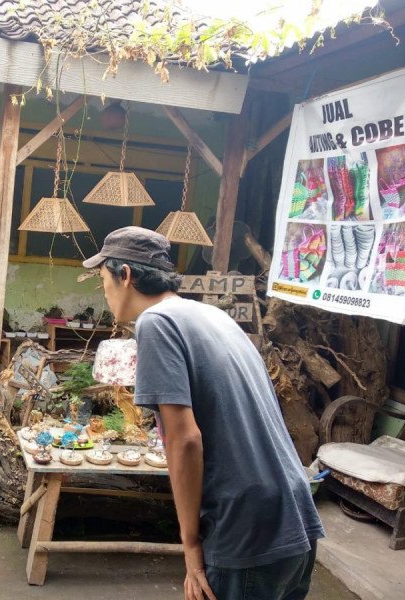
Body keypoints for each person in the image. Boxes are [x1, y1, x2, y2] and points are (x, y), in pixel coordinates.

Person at [83, 226, 324, 600]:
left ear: (126, 275)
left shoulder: (157, 323)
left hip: (244, 531)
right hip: (295, 517)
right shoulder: (214, 317)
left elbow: (185, 440)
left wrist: (191, 545)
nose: (104, 291)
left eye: (103, 280)